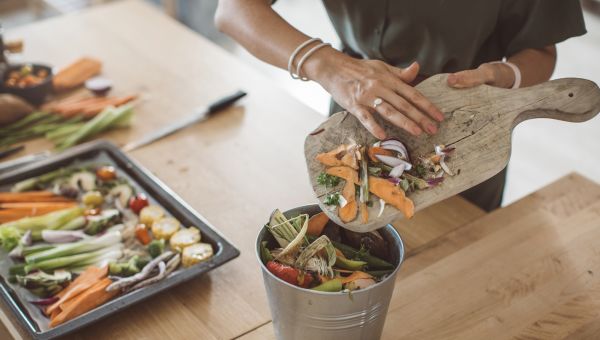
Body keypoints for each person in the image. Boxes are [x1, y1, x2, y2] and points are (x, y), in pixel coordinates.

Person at [215, 0, 586, 211]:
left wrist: (504, 76)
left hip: (467, 132)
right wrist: (328, 66)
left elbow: (539, 48)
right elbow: (234, 10)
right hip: (355, 114)